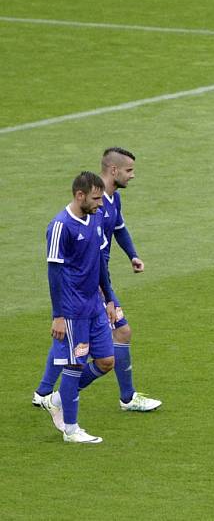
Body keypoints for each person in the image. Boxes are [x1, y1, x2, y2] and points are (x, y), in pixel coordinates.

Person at [33, 148, 161, 412]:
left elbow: (119, 230)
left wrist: (132, 256)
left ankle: (45, 393)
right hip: (89, 283)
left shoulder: (110, 200)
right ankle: (117, 398)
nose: (133, 176)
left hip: (97, 279)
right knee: (106, 337)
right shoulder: (90, 205)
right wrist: (105, 293)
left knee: (73, 340)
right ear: (113, 171)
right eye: (129, 171)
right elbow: (62, 264)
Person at [39, 171, 120, 443]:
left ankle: (59, 399)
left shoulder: (95, 218)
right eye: (96, 198)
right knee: (74, 366)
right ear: (79, 195)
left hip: (95, 306)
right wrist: (58, 315)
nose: (100, 203)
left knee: (107, 361)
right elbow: (54, 274)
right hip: (72, 311)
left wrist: (109, 299)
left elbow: (99, 263)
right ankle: (71, 430)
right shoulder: (61, 226)